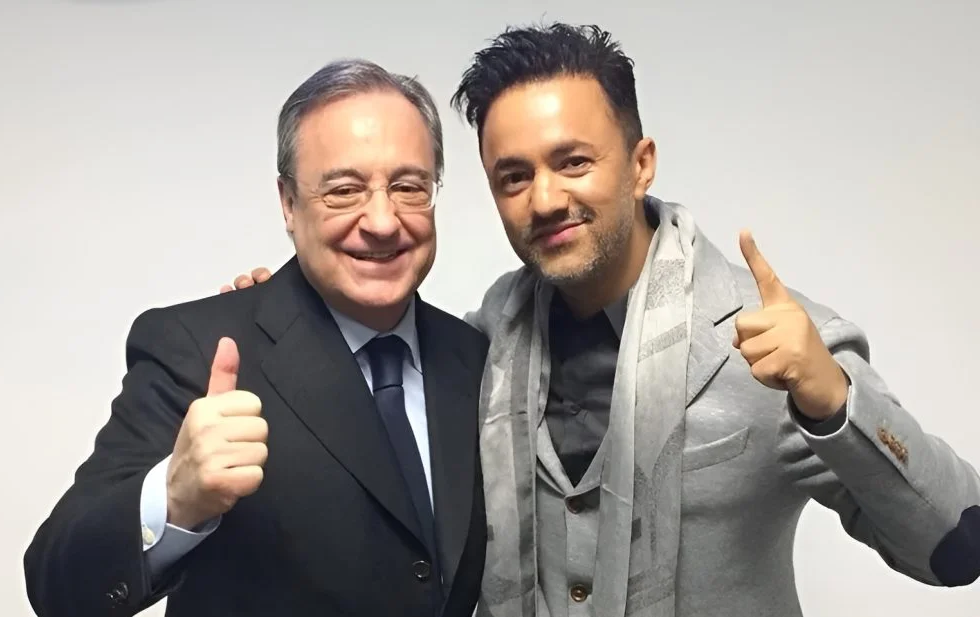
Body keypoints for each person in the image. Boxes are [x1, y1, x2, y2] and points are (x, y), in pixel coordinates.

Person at [226, 23, 980, 617]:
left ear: (641, 162)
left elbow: (956, 546)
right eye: (513, 176)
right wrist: (295, 316)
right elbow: (368, 405)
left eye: (574, 162)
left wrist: (835, 400)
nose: (545, 199)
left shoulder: (768, 341)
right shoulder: (479, 346)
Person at [23, 59, 489, 617]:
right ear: (289, 204)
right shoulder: (196, 348)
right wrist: (172, 498)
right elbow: (56, 583)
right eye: (344, 190)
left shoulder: (476, 358)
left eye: (409, 187)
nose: (383, 221)